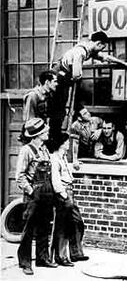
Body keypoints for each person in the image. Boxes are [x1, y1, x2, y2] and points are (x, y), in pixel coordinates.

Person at [51, 31, 127, 135]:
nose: (101, 50)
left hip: (67, 75)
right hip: (60, 76)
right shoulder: (80, 52)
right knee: (60, 107)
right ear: (98, 43)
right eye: (102, 47)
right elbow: (76, 75)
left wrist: (122, 63)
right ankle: (57, 133)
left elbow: (105, 57)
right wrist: (76, 78)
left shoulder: (88, 48)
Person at [15, 118, 58, 275]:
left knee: (44, 227)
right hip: (33, 195)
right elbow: (19, 176)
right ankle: (25, 262)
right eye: (44, 131)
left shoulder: (44, 149)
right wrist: (31, 191)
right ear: (37, 135)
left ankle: (42, 258)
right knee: (28, 229)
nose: (47, 132)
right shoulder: (26, 150)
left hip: (47, 194)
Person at [51, 132, 89, 265]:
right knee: (63, 226)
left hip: (69, 192)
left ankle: (76, 253)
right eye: (66, 142)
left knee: (77, 222)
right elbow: (56, 180)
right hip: (63, 194)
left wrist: (75, 166)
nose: (68, 144)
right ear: (61, 144)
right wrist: (64, 195)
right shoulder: (54, 159)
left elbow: (66, 172)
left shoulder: (63, 157)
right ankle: (61, 257)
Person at [19, 71, 58, 144]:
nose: (57, 84)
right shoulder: (33, 96)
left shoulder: (49, 95)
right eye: (55, 81)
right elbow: (29, 120)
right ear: (47, 82)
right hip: (34, 136)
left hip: (43, 133)